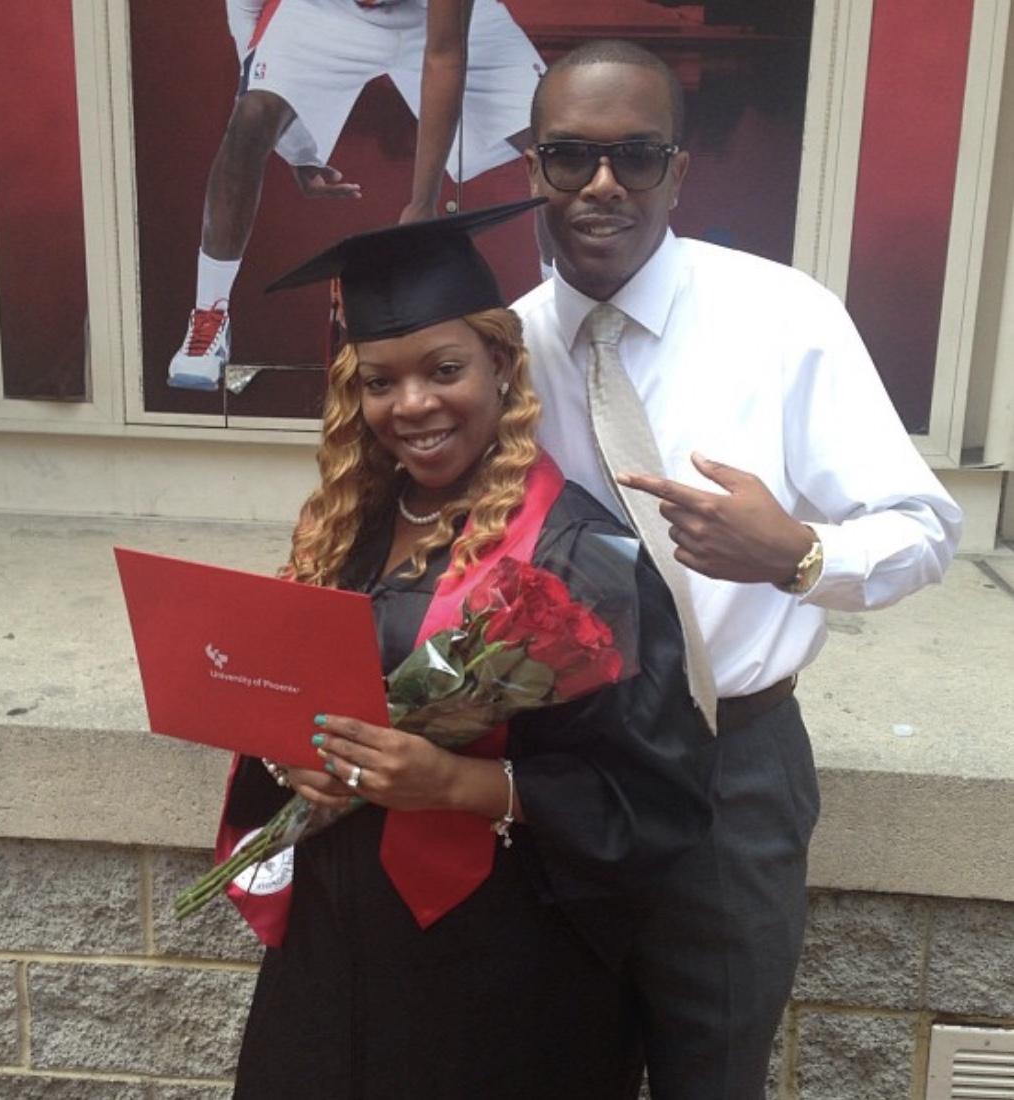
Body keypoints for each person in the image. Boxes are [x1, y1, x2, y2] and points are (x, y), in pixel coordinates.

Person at [512, 39, 964, 1099]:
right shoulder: (502, 347)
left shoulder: (783, 319)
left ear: (678, 171)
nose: (602, 183)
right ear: (532, 168)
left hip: (732, 767)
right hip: (559, 765)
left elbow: (922, 526)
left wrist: (797, 555)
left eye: (636, 155)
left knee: (711, 1075)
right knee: (549, 1065)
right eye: (570, 155)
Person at [217, 200, 715, 1098]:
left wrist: (459, 783)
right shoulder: (347, 528)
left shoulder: (582, 557)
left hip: (501, 969)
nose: (412, 405)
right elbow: (296, 701)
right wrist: (293, 758)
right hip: (331, 954)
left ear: (501, 365)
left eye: (444, 370)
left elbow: (658, 798)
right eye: (380, 381)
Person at [167, 0, 545, 391]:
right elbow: (247, 20)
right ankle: (209, 314)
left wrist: (422, 202)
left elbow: (444, 56)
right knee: (250, 119)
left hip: (449, 16)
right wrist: (295, 145)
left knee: (552, 135)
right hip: (326, 12)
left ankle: (558, 306)